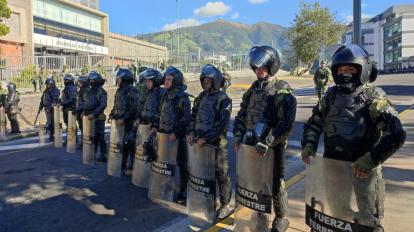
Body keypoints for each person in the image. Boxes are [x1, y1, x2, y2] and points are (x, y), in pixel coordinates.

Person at [301, 44, 406, 231]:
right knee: (336, 214)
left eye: (350, 69)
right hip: (333, 168)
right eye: (340, 69)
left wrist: (371, 159)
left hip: (363, 171)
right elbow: (315, 122)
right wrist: (309, 145)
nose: (345, 73)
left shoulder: (373, 97)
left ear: (363, 71)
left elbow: (396, 133)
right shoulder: (330, 96)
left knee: (368, 220)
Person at [233, 46, 296, 232]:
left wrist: (267, 142)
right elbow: (242, 115)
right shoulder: (252, 89)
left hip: (273, 146)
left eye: (262, 67)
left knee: (276, 182)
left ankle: (281, 218)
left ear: (272, 66)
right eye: (256, 67)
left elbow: (286, 123)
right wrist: (237, 135)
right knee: (255, 181)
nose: (259, 70)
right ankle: (259, 214)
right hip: (251, 144)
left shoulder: (281, 89)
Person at [187, 64, 232, 219]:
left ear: (215, 81)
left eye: (208, 81)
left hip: (218, 144)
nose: (205, 83)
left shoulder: (224, 99)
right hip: (201, 143)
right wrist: (191, 132)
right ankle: (207, 200)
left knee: (221, 174)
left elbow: (222, 124)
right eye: (204, 80)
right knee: (204, 173)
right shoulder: (200, 97)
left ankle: (225, 204)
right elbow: (193, 117)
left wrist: (207, 138)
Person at [152, 66, 191, 204]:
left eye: (169, 80)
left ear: (176, 81)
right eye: (165, 79)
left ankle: (184, 191)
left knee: (182, 164)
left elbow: (185, 118)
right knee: (164, 163)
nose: (166, 82)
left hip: (177, 138)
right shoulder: (165, 96)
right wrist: (155, 127)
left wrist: (176, 132)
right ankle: (165, 187)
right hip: (164, 136)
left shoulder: (183, 98)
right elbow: (159, 113)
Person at [109, 68, 140, 174]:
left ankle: (131, 166)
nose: (117, 80)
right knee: (121, 143)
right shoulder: (119, 90)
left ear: (124, 79)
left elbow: (134, 108)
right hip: (119, 123)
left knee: (130, 144)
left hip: (129, 123)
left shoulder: (132, 91)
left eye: (119, 78)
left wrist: (124, 118)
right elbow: (116, 106)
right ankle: (122, 164)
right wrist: (112, 115)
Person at [83, 72, 108, 163]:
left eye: (91, 80)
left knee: (100, 136)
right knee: (92, 137)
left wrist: (94, 114)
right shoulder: (90, 91)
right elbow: (87, 103)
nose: (90, 81)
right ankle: (92, 153)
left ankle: (103, 155)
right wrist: (84, 112)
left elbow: (102, 105)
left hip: (98, 117)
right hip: (89, 117)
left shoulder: (101, 91)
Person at [75, 75, 89, 148]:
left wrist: (81, 111)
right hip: (79, 111)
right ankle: (83, 142)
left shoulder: (85, 91)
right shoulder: (81, 90)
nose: (79, 83)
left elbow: (85, 103)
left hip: (83, 112)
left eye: (80, 82)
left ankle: (84, 143)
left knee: (84, 128)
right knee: (81, 127)